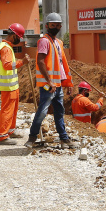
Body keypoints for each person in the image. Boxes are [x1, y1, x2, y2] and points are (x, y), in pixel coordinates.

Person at [26, 12, 76, 148]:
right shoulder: (44, 41)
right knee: (42, 112)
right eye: (53, 25)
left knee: (60, 112)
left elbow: (61, 64)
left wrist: (67, 83)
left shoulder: (58, 42)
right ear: (47, 26)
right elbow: (40, 61)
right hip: (49, 85)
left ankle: (64, 139)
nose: (56, 27)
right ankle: (31, 138)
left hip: (58, 84)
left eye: (58, 25)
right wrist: (49, 81)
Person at [0, 22, 29, 145]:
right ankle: (3, 136)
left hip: (12, 85)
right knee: (7, 109)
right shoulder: (6, 48)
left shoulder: (5, 46)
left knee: (13, 109)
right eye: (18, 37)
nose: (19, 40)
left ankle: (10, 130)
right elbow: (7, 65)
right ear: (13, 35)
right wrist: (22, 62)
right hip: (8, 85)